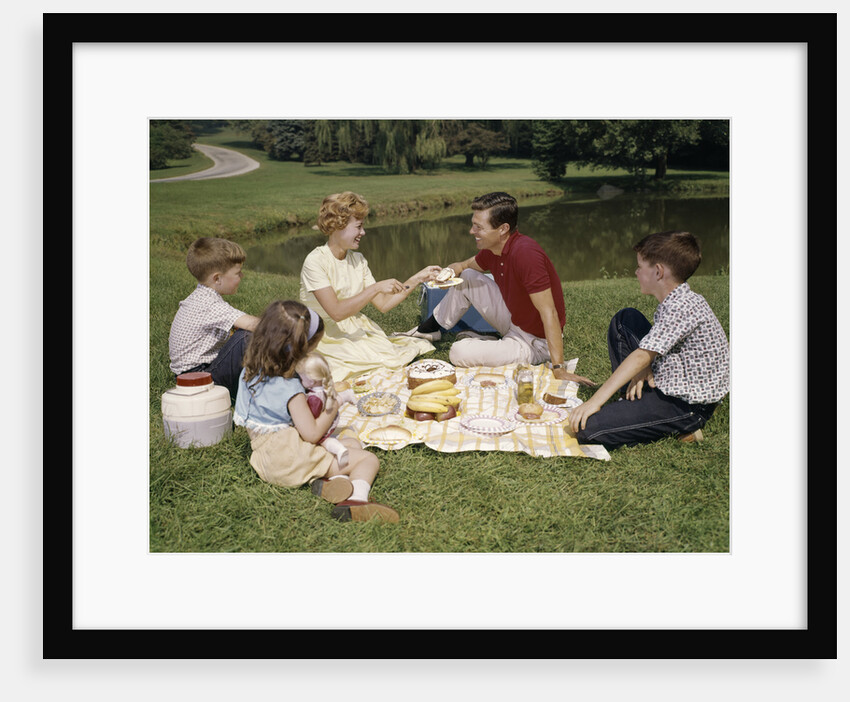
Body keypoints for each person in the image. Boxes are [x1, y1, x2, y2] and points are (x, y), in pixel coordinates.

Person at [396, 191, 593, 386]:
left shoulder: (526, 254)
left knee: (458, 352)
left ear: (502, 229)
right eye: (473, 225)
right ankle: (429, 330)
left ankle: (488, 343)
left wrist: (558, 368)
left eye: (478, 227)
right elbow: (464, 266)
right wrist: (448, 271)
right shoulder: (493, 250)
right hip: (514, 322)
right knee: (467, 277)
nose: (472, 231)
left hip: (535, 342)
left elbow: (550, 313)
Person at [233, 299, 398, 523]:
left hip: (264, 457)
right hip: (288, 459)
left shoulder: (249, 372)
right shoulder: (290, 388)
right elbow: (311, 434)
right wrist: (333, 405)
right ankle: (356, 502)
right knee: (367, 460)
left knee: (350, 446)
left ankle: (331, 484)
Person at [569, 230, 729, 449]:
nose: (635, 272)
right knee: (624, 320)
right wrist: (644, 368)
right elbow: (649, 350)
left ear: (658, 272)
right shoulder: (679, 297)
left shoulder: (681, 307)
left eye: (640, 267)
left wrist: (594, 401)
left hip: (687, 405)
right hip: (675, 378)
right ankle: (637, 398)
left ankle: (683, 426)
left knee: (588, 429)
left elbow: (642, 355)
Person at [299, 191, 443, 383]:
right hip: (321, 333)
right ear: (338, 225)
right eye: (358, 227)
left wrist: (417, 278)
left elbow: (383, 304)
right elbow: (336, 313)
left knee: (386, 356)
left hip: (352, 327)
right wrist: (374, 288)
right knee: (356, 364)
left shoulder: (358, 260)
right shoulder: (316, 261)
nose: (363, 233)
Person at [168, 237, 260, 401]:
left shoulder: (202, 296)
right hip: (199, 380)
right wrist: (285, 323)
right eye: (238, 273)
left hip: (190, 376)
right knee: (247, 337)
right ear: (217, 278)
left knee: (241, 334)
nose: (242, 276)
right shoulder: (208, 304)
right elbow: (254, 324)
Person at [294, 351, 357, 470]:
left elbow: (311, 420)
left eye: (301, 378)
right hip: (328, 421)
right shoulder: (325, 389)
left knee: (324, 442)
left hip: (321, 427)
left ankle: (339, 450)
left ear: (311, 381)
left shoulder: (313, 398)